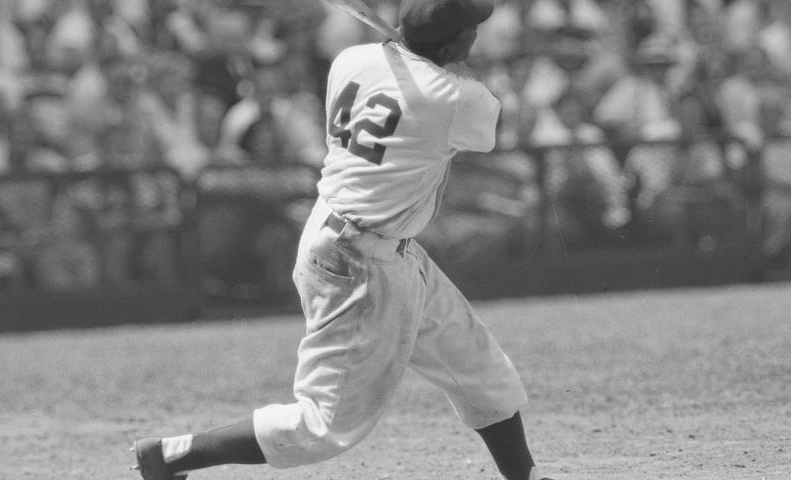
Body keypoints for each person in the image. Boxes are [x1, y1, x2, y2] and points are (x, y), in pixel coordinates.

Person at [131, 1, 554, 479]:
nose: (476, 37)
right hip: (358, 261)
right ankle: (171, 456)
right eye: (471, 32)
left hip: (371, 241)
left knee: (478, 366)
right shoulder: (453, 97)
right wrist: (448, 64)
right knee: (322, 425)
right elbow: (487, 121)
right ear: (454, 43)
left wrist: (428, 56)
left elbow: (414, 78)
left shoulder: (353, 60)